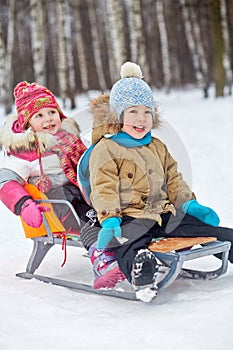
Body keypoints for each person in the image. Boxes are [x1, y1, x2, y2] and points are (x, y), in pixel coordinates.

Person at [78, 61, 233, 302]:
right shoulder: (106, 149)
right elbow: (103, 186)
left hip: (164, 214)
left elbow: (173, 179)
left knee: (211, 230)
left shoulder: (157, 146)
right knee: (130, 245)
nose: (141, 119)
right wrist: (110, 219)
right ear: (118, 116)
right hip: (129, 217)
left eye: (146, 112)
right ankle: (141, 271)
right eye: (133, 112)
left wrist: (188, 204)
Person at [0, 81, 94, 233]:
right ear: (27, 123)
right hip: (59, 207)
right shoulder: (25, 151)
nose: (48, 119)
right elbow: (5, 180)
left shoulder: (71, 139)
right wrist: (24, 204)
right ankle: (101, 247)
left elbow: (92, 158)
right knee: (91, 216)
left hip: (85, 194)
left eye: (52, 112)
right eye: (39, 115)